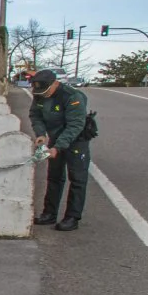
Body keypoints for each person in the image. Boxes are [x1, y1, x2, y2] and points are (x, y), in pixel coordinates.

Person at [28, 68, 93, 230]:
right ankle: (49, 213)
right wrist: (41, 134)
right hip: (55, 138)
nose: (43, 94)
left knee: (77, 179)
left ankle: (72, 217)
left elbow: (75, 125)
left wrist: (58, 147)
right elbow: (35, 115)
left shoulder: (72, 97)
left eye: (46, 90)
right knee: (54, 177)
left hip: (76, 140)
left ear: (55, 83)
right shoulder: (40, 94)